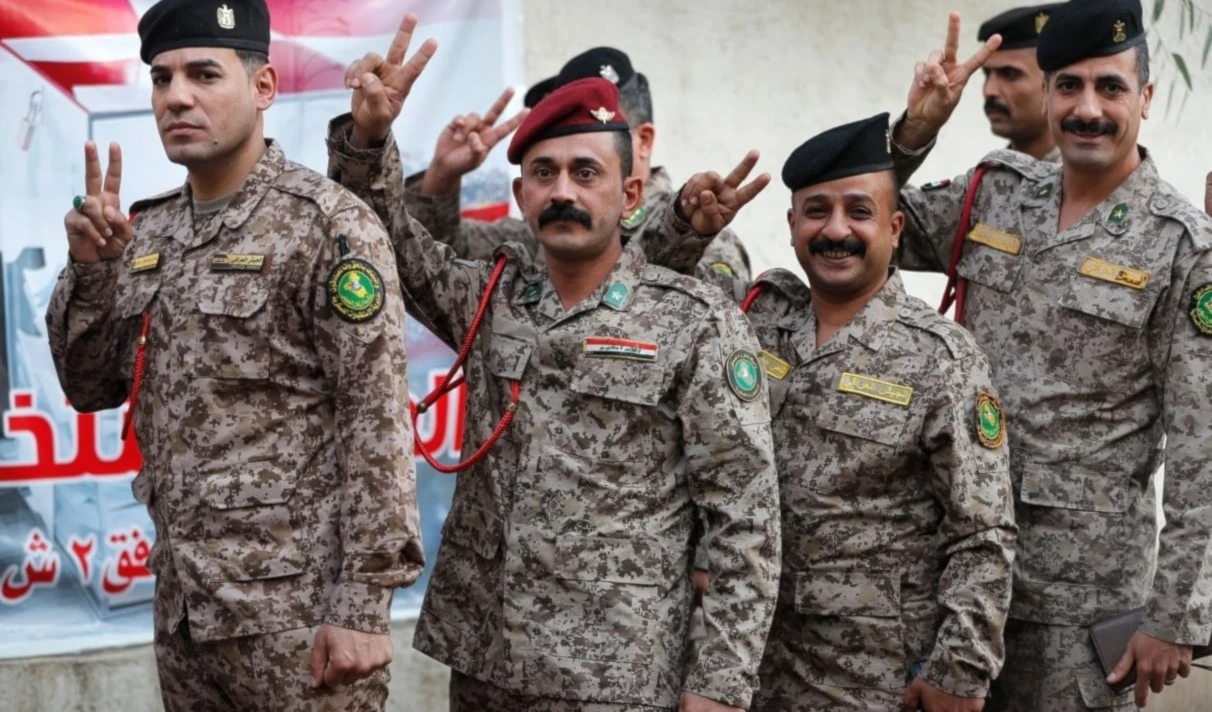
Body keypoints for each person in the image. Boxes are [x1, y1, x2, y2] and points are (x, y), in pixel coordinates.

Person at [326, 15, 781, 712]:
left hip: (619, 675)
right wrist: (367, 139)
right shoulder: (486, 298)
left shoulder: (695, 321)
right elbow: (379, 241)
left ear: (630, 195)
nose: (562, 190)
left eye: (585, 172)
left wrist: (718, 684)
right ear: (521, 197)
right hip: (487, 666)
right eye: (543, 173)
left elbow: (744, 519)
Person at [45, 1, 422, 709]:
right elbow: (92, 387)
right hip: (186, 609)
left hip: (299, 620)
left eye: (203, 74)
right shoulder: (147, 233)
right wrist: (91, 273)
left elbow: (376, 419)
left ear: (264, 88)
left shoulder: (326, 226)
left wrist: (363, 607)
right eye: (161, 79)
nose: (177, 96)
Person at [889, 2, 1212, 709]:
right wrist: (915, 132)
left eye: (1111, 87)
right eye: (1069, 86)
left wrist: (1175, 616)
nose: (1087, 108)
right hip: (951, 572)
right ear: (1048, 91)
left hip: (1078, 604)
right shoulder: (996, 194)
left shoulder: (1182, 247)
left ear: (1146, 99)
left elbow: (1202, 444)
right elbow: (866, 225)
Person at [681, 112, 1017, 712]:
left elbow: (982, 532)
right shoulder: (755, 323)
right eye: (817, 211)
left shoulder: (942, 358)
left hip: (874, 681)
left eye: (859, 212)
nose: (836, 230)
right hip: (748, 667)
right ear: (790, 225)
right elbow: (638, 301)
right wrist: (686, 229)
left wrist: (960, 670)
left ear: (893, 229)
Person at [398, 46, 753, 287]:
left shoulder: (703, 233)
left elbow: (709, 322)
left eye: (597, 128)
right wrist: (443, 176)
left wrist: (681, 236)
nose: (563, 190)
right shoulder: (544, 227)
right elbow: (434, 264)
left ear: (642, 141)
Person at [976, 4, 1062, 162]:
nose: (989, 90)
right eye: (987, 74)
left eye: (1009, 74)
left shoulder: (1088, 179)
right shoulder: (988, 177)